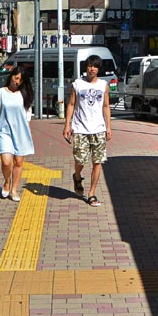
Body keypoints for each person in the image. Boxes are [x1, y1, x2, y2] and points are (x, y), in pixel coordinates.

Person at [63, 54, 112, 207]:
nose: (92, 69)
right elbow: (71, 104)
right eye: (90, 66)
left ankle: (91, 193)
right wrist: (67, 125)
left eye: (95, 66)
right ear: (86, 67)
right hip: (80, 128)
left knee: (97, 162)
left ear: (98, 69)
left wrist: (108, 127)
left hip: (98, 128)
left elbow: (106, 106)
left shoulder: (103, 85)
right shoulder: (77, 84)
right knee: (80, 160)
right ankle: (77, 176)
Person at [0, 66, 35, 202]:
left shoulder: (24, 94)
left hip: (21, 131)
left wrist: (27, 131)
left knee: (19, 161)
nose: (17, 82)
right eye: (16, 78)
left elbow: (27, 115)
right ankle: (7, 181)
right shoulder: (0, 92)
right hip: (4, 130)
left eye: (20, 80)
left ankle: (14, 189)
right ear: (11, 76)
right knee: (6, 161)